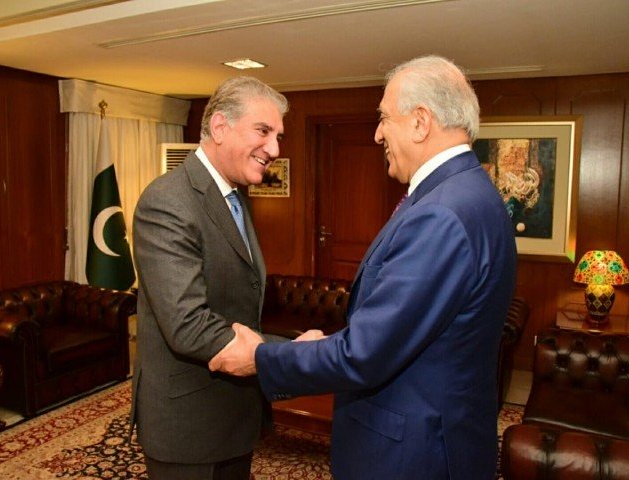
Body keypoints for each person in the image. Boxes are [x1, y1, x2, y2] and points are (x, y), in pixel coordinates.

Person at [210, 55, 518, 480]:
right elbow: (404, 329)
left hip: (413, 454)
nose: (377, 135)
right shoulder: (470, 192)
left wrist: (263, 358)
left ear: (420, 122)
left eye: (383, 118)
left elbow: (366, 354)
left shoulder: (443, 213)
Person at [131, 76, 289, 479]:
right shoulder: (168, 201)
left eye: (278, 136)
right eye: (263, 131)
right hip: (188, 428)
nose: (274, 149)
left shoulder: (236, 195)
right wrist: (288, 353)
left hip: (234, 417)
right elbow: (187, 324)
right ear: (220, 127)